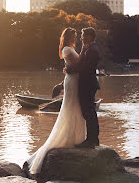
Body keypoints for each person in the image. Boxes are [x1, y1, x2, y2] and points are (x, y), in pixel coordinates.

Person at [26, 27, 86, 175]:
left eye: (76, 36)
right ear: (68, 37)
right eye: (74, 36)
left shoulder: (70, 48)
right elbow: (77, 64)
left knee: (76, 108)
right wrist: (85, 48)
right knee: (70, 108)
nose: (76, 38)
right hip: (72, 81)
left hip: (74, 79)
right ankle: (68, 138)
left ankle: (77, 138)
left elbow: (74, 66)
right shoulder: (66, 49)